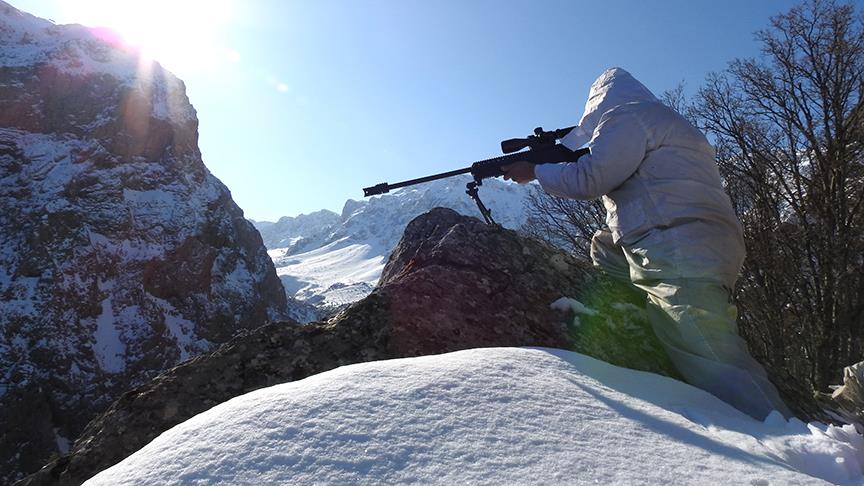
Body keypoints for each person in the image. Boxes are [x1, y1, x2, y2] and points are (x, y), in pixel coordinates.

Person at [502, 67, 791, 420]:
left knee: (704, 343)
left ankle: (784, 434)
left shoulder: (625, 118)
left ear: (598, 103)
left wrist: (535, 171)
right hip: (696, 236)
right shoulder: (661, 120)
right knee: (605, 246)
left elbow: (590, 179)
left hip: (678, 242)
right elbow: (638, 187)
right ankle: (640, 311)